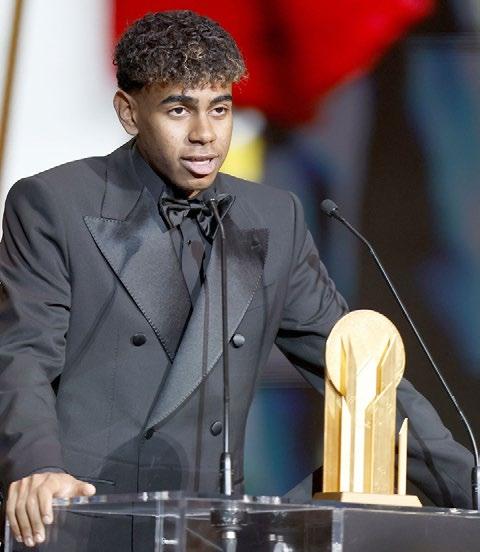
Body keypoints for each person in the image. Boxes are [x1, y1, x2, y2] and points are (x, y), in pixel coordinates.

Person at [0, 9, 473, 550]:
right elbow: (22, 355)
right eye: (179, 110)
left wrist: (470, 486)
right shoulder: (54, 203)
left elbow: (362, 377)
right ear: (129, 112)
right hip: (80, 521)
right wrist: (36, 468)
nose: (205, 134)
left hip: (207, 531)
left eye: (219, 109)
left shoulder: (273, 218)